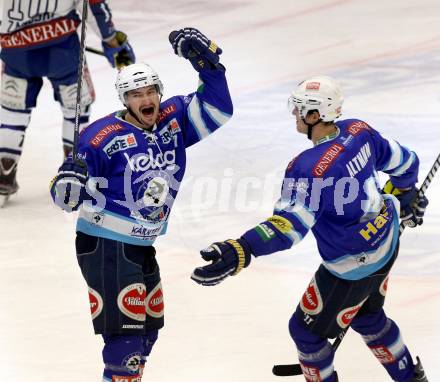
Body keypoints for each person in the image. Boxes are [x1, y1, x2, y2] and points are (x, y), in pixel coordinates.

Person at [191, 76, 429, 381]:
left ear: (315, 115)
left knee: (305, 333)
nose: (295, 114)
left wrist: (244, 248)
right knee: (368, 317)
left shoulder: (308, 168)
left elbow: (288, 227)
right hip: (386, 242)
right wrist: (406, 195)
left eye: (299, 109)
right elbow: (406, 162)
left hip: (352, 265)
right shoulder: (359, 131)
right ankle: (411, 377)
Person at [50, 27, 232, 381]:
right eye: (136, 94)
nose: (146, 99)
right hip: (106, 245)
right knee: (126, 341)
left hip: (141, 245)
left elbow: (218, 110)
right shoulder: (99, 138)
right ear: (124, 99)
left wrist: (210, 69)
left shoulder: (172, 119)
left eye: (151, 91)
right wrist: (66, 180)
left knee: (148, 331)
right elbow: (66, 199)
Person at [0, 0, 135, 202]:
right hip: (62, 52)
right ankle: (74, 173)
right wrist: (116, 46)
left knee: (13, 113)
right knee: (76, 109)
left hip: (17, 53)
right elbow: (94, 7)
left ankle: (4, 174)